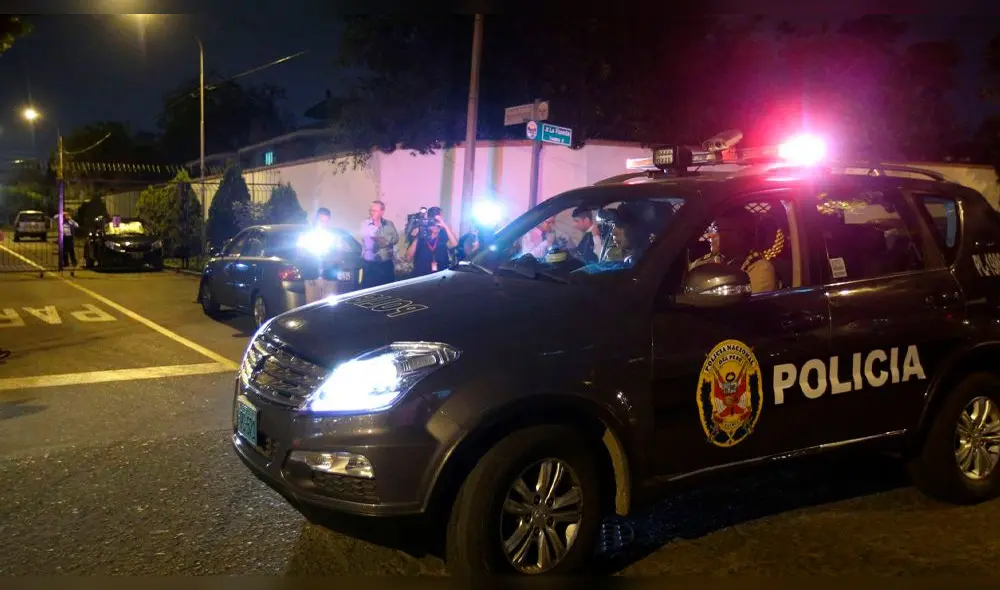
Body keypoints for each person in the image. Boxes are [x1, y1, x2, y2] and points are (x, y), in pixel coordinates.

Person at [691, 207, 777, 294]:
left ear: (738, 235)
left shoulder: (760, 269)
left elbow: (749, 306)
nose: (709, 235)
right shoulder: (711, 260)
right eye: (710, 229)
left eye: (716, 229)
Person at [407, 206, 458, 276]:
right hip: (421, 275)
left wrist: (445, 226)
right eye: (432, 220)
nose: (435, 223)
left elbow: (455, 244)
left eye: (439, 219)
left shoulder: (443, 233)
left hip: (441, 274)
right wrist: (417, 236)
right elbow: (408, 257)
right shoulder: (421, 233)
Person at [359, 200, 399, 289]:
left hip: (386, 264)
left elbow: (396, 238)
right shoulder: (365, 223)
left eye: (374, 211)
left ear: (382, 212)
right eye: (370, 210)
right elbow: (367, 241)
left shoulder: (389, 224)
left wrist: (384, 241)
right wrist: (382, 240)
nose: (371, 213)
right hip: (370, 265)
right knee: (370, 291)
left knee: (388, 290)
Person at [304, 208, 338, 304]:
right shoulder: (308, 235)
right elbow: (302, 254)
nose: (324, 224)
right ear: (316, 220)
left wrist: (331, 257)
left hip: (329, 277)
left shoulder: (333, 236)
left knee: (329, 306)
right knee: (312, 305)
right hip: (312, 276)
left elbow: (338, 255)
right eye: (321, 220)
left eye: (326, 221)